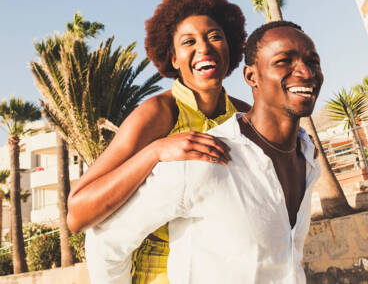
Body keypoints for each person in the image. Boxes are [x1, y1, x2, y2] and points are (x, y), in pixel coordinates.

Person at [85, 20, 324, 284]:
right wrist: (154, 151)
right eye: (284, 61)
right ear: (251, 76)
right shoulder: (202, 158)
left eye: (313, 62)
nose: (306, 71)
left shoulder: (308, 159)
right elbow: (104, 241)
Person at [67, 0, 249, 283]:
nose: (204, 48)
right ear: (174, 58)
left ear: (230, 45)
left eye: (214, 36)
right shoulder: (159, 113)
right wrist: (155, 151)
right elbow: (77, 213)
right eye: (188, 42)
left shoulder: (244, 116)